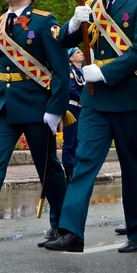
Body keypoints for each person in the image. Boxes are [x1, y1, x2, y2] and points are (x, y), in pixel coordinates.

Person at [46, 0, 137, 256]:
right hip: (94, 101)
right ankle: (70, 231)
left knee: (133, 166)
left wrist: (106, 72)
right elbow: (64, 43)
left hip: (127, 97)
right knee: (83, 163)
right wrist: (72, 25)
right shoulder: (92, 5)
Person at [0, 0, 69, 248]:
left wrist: (55, 109)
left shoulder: (44, 22)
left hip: (37, 106)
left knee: (48, 168)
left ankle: (63, 224)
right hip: (4, 105)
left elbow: (61, 71)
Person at [61, 47, 85, 183]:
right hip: (72, 107)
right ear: (71, 58)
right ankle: (69, 171)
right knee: (70, 140)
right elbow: (71, 89)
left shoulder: (82, 72)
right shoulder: (70, 71)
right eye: (77, 52)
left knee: (79, 139)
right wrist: (85, 99)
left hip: (81, 108)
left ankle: (76, 168)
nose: (81, 53)